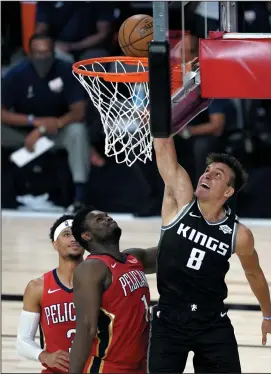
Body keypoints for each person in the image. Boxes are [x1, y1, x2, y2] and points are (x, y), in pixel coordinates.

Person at [148, 138, 271, 373]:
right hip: (169, 321)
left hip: (212, 323)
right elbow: (163, 148)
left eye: (217, 175)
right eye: (207, 171)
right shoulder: (181, 202)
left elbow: (254, 274)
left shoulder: (239, 234)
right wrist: (161, 111)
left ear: (228, 191)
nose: (206, 175)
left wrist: (268, 316)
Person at [1, 33, 90, 212]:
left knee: (78, 131)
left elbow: (79, 111)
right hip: (23, 132)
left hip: (58, 130)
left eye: (46, 53)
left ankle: (80, 196)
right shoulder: (16, 74)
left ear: (53, 53)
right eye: (38, 53)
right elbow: (1, 112)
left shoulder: (66, 70)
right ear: (29, 53)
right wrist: (34, 122)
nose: (43, 58)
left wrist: (43, 128)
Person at [70, 207, 157, 373]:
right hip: (108, 367)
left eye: (107, 216)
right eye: (99, 220)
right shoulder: (92, 267)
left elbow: (172, 250)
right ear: (87, 235)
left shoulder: (134, 258)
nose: (107, 218)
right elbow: (86, 327)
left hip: (140, 366)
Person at [16, 215, 84, 373]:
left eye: (77, 233)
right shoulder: (37, 287)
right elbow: (23, 341)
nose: (73, 238)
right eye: (66, 234)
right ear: (55, 244)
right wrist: (44, 356)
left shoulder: (103, 283)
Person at [35, 1, 114, 63]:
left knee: (95, 63)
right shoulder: (47, 2)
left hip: (91, 47)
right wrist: (50, 45)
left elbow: (103, 33)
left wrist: (72, 46)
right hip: (58, 45)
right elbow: (40, 31)